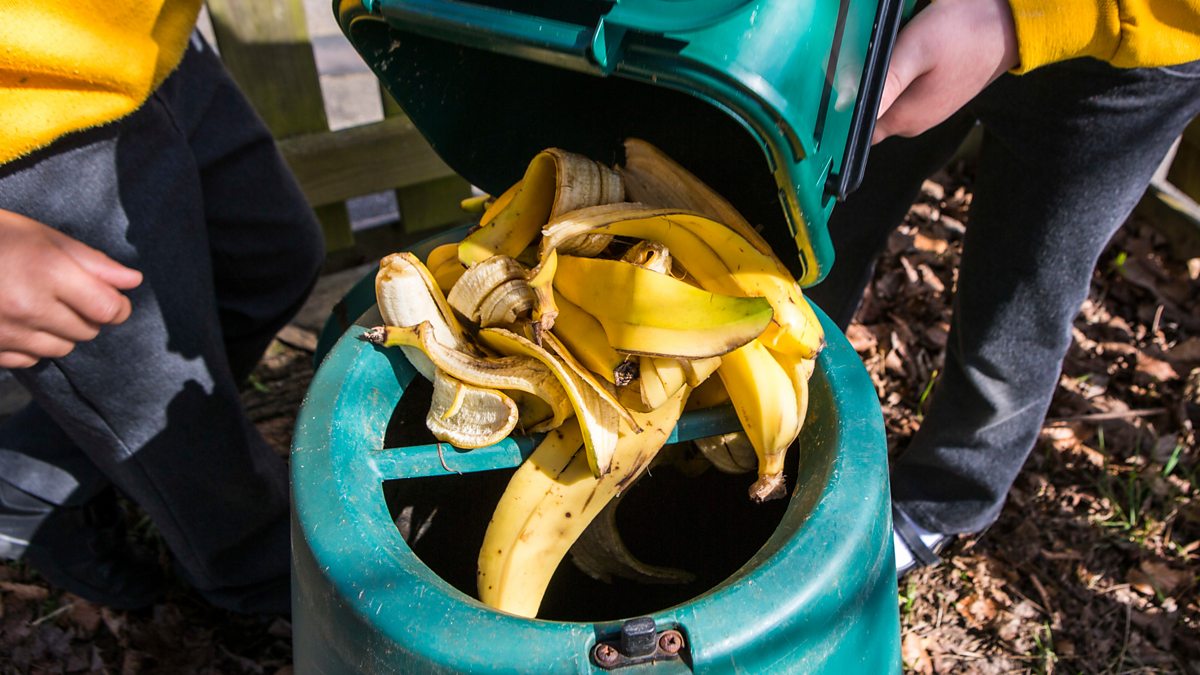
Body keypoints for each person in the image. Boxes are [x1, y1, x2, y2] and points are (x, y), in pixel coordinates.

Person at [806, 0, 1200, 576]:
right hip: (914, 12)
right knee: (826, 220)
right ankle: (785, 408)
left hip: (1129, 51)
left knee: (1023, 302)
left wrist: (1017, 18)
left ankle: (945, 496)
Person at [0, 1, 325, 613]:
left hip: (143, 45)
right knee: (172, 418)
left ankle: (29, 477)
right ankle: (263, 584)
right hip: (22, 131)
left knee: (272, 261)